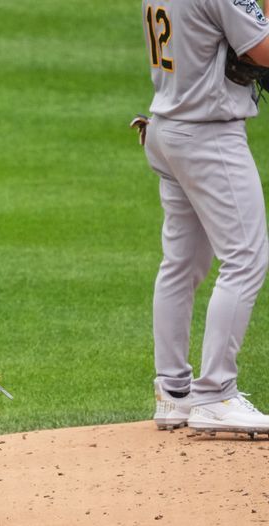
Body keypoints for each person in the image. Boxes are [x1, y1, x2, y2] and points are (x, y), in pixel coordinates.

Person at [138, 0, 269, 434]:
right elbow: (262, 49)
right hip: (208, 134)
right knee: (246, 259)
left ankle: (173, 393)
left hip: (167, 126)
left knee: (181, 264)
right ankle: (215, 393)